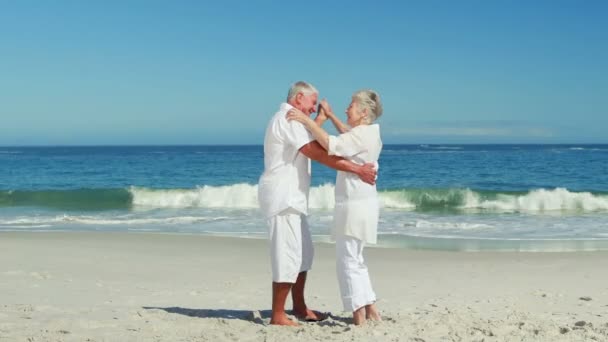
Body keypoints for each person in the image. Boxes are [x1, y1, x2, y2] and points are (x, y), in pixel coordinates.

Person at [258, 81, 377, 326]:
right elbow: (317, 151)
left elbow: (308, 140)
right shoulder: (289, 119)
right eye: (313, 103)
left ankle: (299, 307)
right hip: (283, 198)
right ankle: (278, 314)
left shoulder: (295, 121)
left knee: (303, 254)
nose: (313, 109)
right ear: (299, 98)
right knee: (287, 255)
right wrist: (357, 169)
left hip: (294, 198)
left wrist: (321, 119)